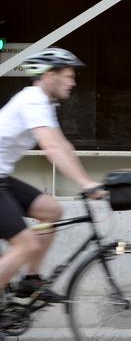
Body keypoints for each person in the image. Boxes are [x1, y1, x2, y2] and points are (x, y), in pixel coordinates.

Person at [0, 48, 103, 307]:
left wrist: (91, 181)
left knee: (51, 210)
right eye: (69, 76)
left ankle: (31, 280)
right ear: (50, 75)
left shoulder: (45, 104)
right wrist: (85, 183)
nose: (73, 82)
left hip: (2, 177)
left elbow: (63, 146)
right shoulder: (33, 100)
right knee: (26, 244)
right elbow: (51, 148)